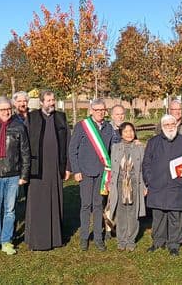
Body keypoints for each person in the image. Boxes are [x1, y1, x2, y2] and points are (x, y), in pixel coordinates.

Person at [142, 114, 182, 256]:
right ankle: (158, 242)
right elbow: (146, 162)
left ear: (176, 125)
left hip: (177, 185)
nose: (170, 127)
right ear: (162, 127)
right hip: (157, 185)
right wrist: (149, 179)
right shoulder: (153, 142)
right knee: (158, 216)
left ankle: (174, 244)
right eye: (166, 125)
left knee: (176, 216)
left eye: (172, 124)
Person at [0, 96, 30, 255]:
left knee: (10, 210)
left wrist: (24, 175)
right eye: (2, 109)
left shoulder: (19, 127)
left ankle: (6, 240)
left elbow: (25, 152)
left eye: (8, 109)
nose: (6, 112)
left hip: (13, 175)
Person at [25, 90, 70, 251]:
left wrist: (67, 167)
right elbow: (25, 143)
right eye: (48, 100)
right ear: (41, 102)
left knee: (55, 201)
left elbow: (68, 142)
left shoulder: (61, 117)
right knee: (38, 203)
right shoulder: (32, 117)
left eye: (53, 99)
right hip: (37, 169)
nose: (52, 103)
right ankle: (38, 240)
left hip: (55, 167)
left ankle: (55, 238)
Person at [69, 98, 115, 251]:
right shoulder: (82, 126)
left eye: (103, 110)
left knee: (98, 204)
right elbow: (72, 150)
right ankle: (84, 237)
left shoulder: (108, 128)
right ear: (91, 111)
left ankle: (98, 237)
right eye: (97, 110)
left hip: (102, 173)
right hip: (85, 172)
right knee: (86, 205)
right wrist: (76, 170)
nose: (100, 112)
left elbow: (114, 147)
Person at [155, 99, 182, 244]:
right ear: (169, 110)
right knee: (167, 205)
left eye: (179, 109)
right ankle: (167, 234)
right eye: (174, 109)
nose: (177, 112)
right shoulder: (160, 125)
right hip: (166, 173)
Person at [106, 122, 146, 252]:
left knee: (133, 213)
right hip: (119, 184)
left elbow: (144, 169)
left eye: (131, 131)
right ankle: (121, 240)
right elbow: (111, 168)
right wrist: (110, 184)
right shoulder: (115, 147)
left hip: (135, 184)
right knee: (121, 213)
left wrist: (144, 186)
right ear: (121, 134)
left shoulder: (140, 148)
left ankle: (131, 240)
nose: (129, 134)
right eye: (126, 131)